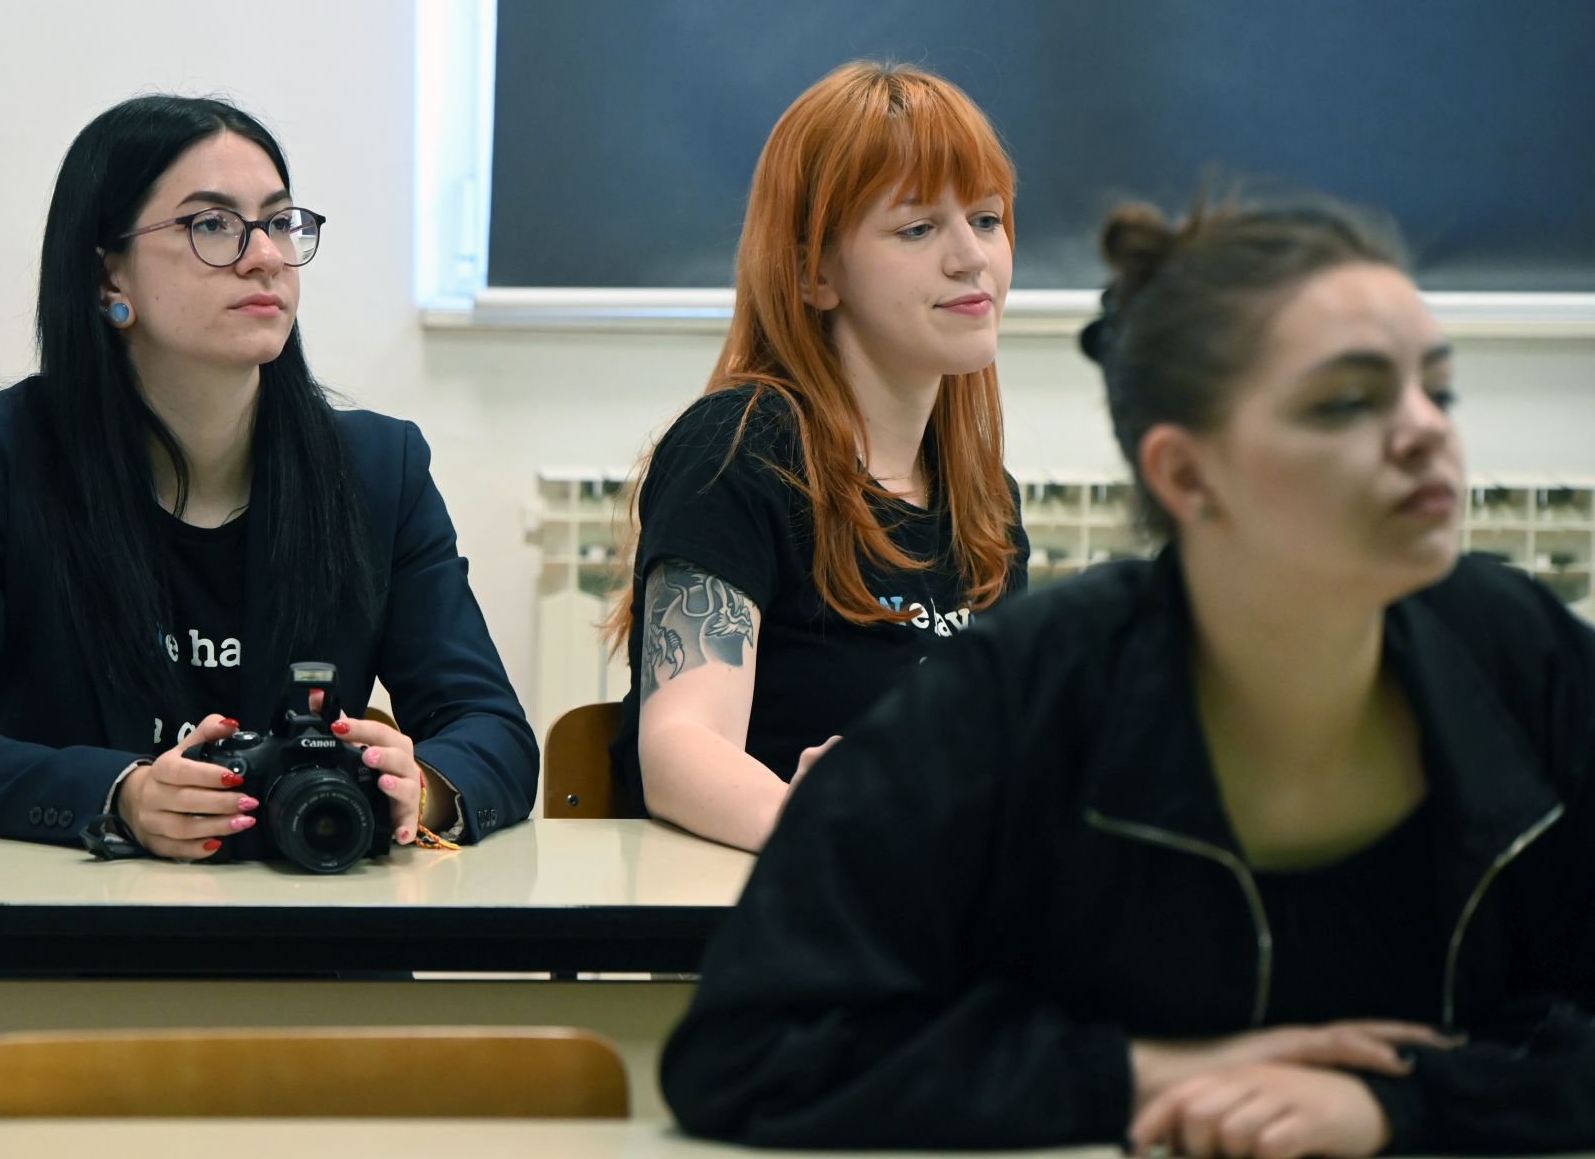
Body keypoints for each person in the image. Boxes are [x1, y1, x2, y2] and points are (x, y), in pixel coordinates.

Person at [659, 197, 1595, 1155]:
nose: (1423, 431)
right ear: (1185, 475)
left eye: (1439, 392)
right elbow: (750, 1053)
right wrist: (1151, 1073)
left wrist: (1396, 1106)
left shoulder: (1527, 660)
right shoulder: (1025, 692)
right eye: (1346, 403)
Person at [0, 95, 536, 860]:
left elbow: (492, 731)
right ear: (108, 275)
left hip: (306, 915)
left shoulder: (379, 469)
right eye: (212, 225)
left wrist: (424, 787)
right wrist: (119, 794)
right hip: (68, 917)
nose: (265, 256)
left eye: (280, 222)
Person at [607, 61, 1029, 852]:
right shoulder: (738, 451)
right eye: (917, 228)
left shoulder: (985, 497)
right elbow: (679, 748)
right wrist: (829, 822)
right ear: (813, 272)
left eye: (986, 219)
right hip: (771, 903)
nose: (971, 257)